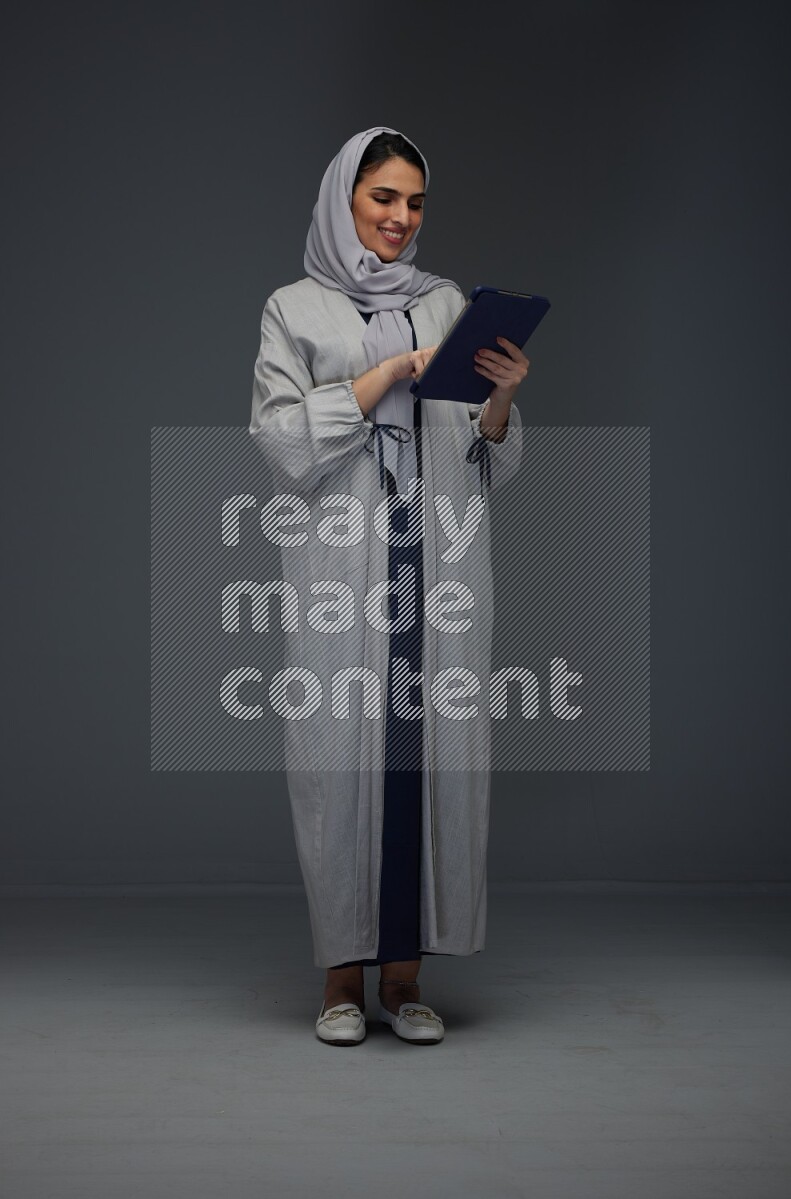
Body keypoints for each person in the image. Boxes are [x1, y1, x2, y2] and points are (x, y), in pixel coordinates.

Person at [249, 126, 528, 1045]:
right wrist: (377, 380)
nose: (400, 219)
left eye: (414, 203)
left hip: (434, 563)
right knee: (338, 761)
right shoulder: (294, 308)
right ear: (345, 198)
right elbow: (282, 442)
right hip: (345, 569)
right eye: (383, 199)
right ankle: (339, 981)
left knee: (429, 759)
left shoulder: (448, 302)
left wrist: (499, 398)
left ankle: (406, 978)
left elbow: (487, 452)